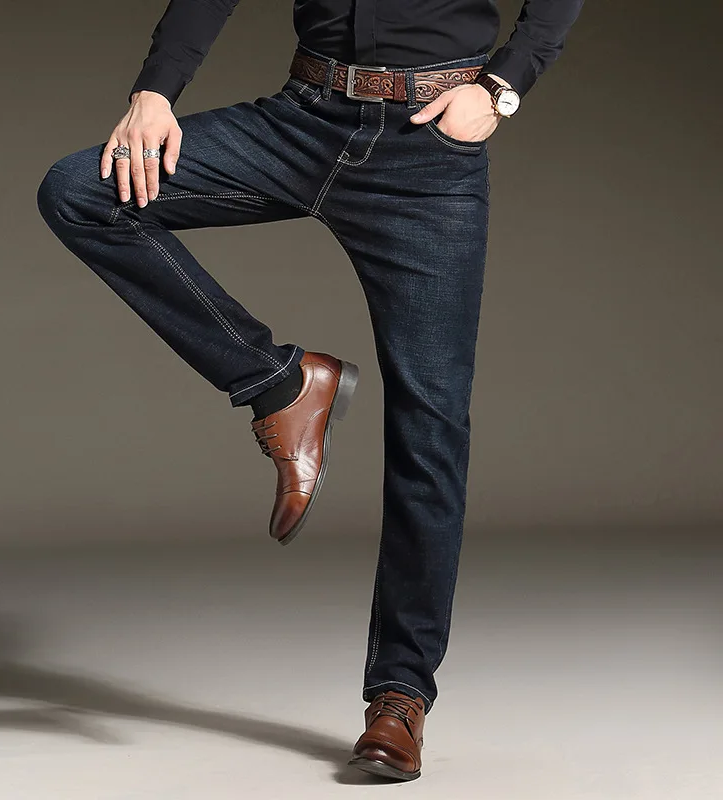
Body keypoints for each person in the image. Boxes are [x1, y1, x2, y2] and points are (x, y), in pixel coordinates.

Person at [36, 0, 585, 782]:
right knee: (80, 192)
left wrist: (502, 86)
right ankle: (279, 382)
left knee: (431, 424)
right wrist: (155, 91)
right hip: (304, 119)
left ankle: (399, 696)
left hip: (429, 147)